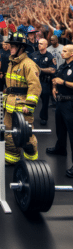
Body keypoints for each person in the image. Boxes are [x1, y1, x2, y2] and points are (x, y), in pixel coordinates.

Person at [3, 32, 41, 165]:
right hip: (10, 105)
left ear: (21, 47)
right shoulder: (12, 62)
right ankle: (12, 159)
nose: (10, 48)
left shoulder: (28, 64)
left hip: (23, 107)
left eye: (13, 46)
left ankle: (32, 161)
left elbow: (35, 86)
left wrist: (30, 105)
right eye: (10, 45)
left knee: (26, 136)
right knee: (9, 133)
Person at [46, 45, 73, 177]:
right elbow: (56, 78)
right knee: (60, 128)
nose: (62, 53)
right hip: (60, 102)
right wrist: (54, 87)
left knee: (72, 134)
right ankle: (61, 148)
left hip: (70, 103)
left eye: (65, 51)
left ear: (72, 54)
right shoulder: (62, 66)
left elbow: (63, 81)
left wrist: (62, 83)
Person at [30, 38, 56, 125]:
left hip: (44, 82)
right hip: (34, 81)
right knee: (31, 99)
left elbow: (53, 70)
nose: (39, 45)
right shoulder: (33, 55)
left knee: (45, 101)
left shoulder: (50, 57)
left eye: (41, 44)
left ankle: (44, 117)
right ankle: (29, 116)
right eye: (39, 43)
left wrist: (40, 70)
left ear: (46, 45)